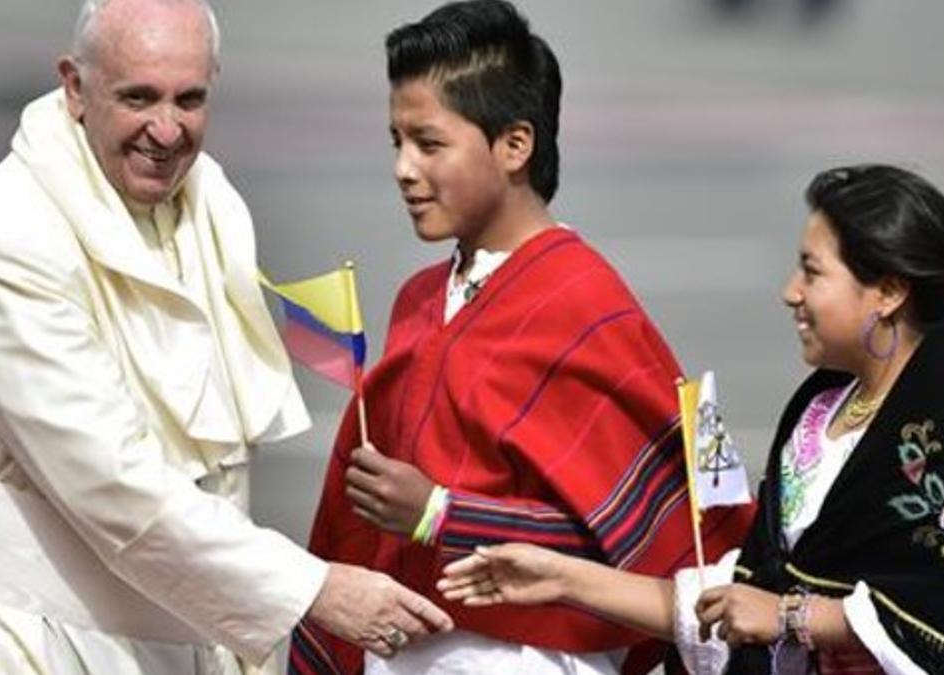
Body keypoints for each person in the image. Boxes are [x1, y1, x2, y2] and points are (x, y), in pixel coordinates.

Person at [0, 1, 453, 672]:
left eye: (190, 99)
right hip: (20, 629)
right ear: (74, 87)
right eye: (138, 97)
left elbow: (216, 465)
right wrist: (311, 588)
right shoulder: (9, 238)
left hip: (183, 615)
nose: (166, 128)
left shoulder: (210, 201)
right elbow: (113, 483)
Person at [440, 164, 944, 674]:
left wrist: (792, 616)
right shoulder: (821, 414)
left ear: (889, 291)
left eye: (813, 271)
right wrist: (560, 577)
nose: (790, 291)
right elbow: (739, 598)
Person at [287, 2, 752, 674]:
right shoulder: (418, 298)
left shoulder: (585, 303)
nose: (404, 169)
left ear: (515, 145)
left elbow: (644, 542)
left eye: (429, 142)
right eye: (397, 141)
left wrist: (440, 513)